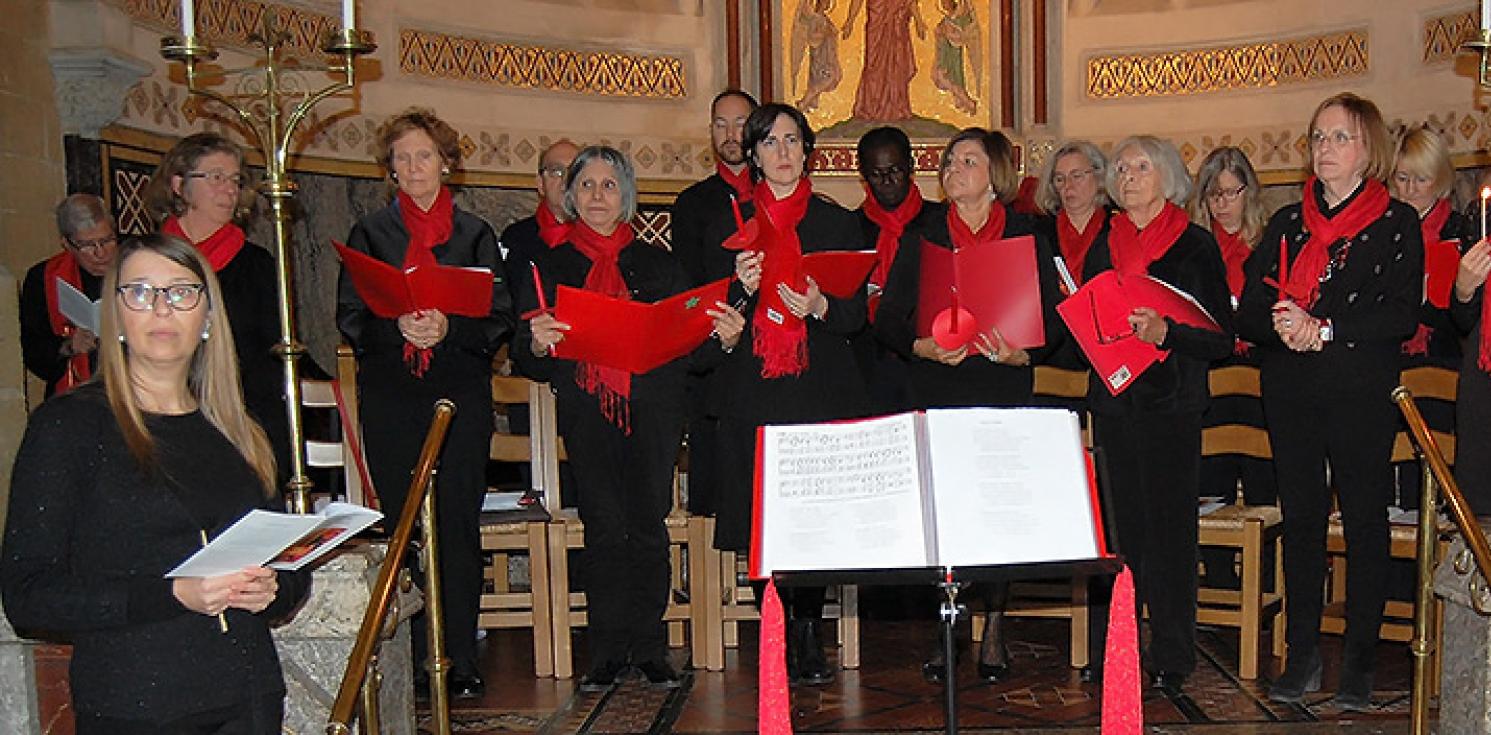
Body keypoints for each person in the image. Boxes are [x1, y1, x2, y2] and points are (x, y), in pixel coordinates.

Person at [2, 233, 309, 734]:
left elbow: (288, 568)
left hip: (248, 695)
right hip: (138, 704)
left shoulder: (236, 431)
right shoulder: (69, 427)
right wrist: (172, 595)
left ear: (207, 318)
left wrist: (272, 589)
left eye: (182, 292)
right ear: (116, 316)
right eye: (140, 292)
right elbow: (28, 595)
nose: (162, 308)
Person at [514, 145, 744, 689]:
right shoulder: (549, 266)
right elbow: (523, 355)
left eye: (609, 185)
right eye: (587, 185)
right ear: (570, 194)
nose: (598, 195)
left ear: (627, 197)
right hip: (588, 412)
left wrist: (725, 339)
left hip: (656, 412)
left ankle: (650, 648)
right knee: (602, 526)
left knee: (647, 525)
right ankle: (607, 651)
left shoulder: (661, 264)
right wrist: (538, 343)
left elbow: (693, 352)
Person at [1234, 93, 1422, 710]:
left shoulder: (1397, 223)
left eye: (1339, 137)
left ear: (1368, 148)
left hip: (1360, 392)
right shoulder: (1289, 222)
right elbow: (1251, 308)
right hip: (1291, 391)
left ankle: (1360, 662)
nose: (1324, 149)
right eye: (1317, 137)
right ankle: (1304, 652)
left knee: (1365, 522)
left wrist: (1326, 329)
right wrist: (1285, 322)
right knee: (1304, 521)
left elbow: (1398, 313)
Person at [875, 127, 1065, 683]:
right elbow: (888, 319)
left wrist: (1022, 355)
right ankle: (949, 631)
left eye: (967, 160)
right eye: (949, 160)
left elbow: (1055, 320)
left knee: (997, 515)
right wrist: (922, 346)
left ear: (995, 174)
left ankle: (995, 633)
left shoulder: (1030, 233)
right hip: (941, 388)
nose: (952, 168)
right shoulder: (924, 232)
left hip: (1002, 387)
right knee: (948, 516)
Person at [337, 108, 514, 699]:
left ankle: (459, 655)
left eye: (423, 155)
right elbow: (351, 316)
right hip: (392, 393)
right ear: (390, 169)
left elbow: (499, 316)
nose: (413, 167)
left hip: (457, 391)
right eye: (402, 158)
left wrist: (448, 329)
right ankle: (411, 653)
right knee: (402, 523)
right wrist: (400, 330)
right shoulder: (371, 233)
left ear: (446, 161)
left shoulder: (475, 235)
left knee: (457, 523)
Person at [706, 102, 869, 685]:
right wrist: (739, 288)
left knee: (813, 512)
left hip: (819, 384)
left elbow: (857, 316)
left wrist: (822, 306)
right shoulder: (724, 222)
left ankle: (806, 630)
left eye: (793, 141)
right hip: (753, 385)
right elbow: (704, 314)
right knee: (763, 513)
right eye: (770, 141)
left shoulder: (836, 222)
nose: (782, 151)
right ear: (752, 153)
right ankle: (772, 620)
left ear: (807, 151)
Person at [1083, 135, 1234, 692]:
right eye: (1120, 168)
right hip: (1116, 405)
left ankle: (1172, 651)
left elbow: (1220, 336)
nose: (1127, 176)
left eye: (1140, 166)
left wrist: (1167, 332)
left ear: (1167, 177)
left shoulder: (1194, 246)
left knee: (1169, 535)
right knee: (1121, 535)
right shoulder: (1105, 245)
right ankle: (1117, 645)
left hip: (1171, 406)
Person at [143, 132, 289, 480]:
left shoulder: (256, 264)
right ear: (179, 185)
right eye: (216, 177)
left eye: (235, 180)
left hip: (244, 415)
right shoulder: (147, 258)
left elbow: (273, 347)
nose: (229, 189)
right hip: (165, 414)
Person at [671, 88, 759, 517]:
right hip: (716, 352)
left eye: (740, 123)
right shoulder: (691, 204)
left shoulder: (776, 194)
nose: (730, 134)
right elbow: (687, 287)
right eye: (720, 123)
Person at [1189, 147, 1276, 517]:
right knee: (1211, 485)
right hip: (1213, 367)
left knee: (1263, 480)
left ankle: (1265, 567)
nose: (1222, 204)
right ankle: (1219, 571)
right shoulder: (1194, 246)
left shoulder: (1269, 241)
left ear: (1249, 192)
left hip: (1258, 368)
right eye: (1214, 194)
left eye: (1231, 193)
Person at [853, 125, 929, 413]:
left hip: (927, 360)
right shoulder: (850, 227)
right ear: (863, 177)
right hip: (869, 364)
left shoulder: (939, 223)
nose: (886, 181)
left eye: (894, 170)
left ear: (911, 167)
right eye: (876, 174)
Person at [20, 193, 119, 396]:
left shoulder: (136, 266)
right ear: (67, 244)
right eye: (87, 245)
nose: (100, 253)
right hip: (76, 393)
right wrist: (69, 346)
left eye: (107, 240)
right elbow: (33, 352)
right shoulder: (44, 278)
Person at [1392, 126, 1475, 366]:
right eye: (1402, 178)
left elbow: (1462, 322)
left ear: (1439, 179)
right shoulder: (1384, 229)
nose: (1410, 190)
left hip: (1443, 352)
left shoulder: (1458, 230)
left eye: (1421, 180)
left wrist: (1420, 303)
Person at [1034, 140, 1110, 380]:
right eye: (1059, 179)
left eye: (1077, 176)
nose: (1068, 186)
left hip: (1104, 345)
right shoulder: (1040, 233)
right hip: (1053, 349)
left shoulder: (1117, 229)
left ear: (1099, 178)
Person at [498, 139, 582, 299]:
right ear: (540, 184)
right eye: (556, 171)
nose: (565, 180)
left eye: (574, 172)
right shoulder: (516, 238)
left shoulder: (600, 239)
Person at [842, 0, 927, 122]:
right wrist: (850, 21)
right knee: (874, 66)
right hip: (877, 26)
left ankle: (897, 108)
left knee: (897, 64)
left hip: (898, 26)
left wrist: (919, 21)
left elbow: (909, 2)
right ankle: (871, 108)